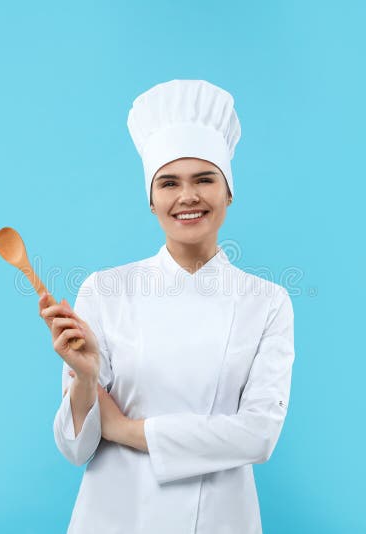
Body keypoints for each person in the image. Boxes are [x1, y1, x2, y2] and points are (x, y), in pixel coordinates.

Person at [39, 79, 296, 534]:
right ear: (152, 200)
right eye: (169, 183)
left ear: (228, 191)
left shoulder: (267, 302)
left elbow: (259, 435)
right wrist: (85, 378)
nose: (187, 196)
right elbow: (75, 449)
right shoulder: (105, 290)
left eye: (204, 179)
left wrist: (125, 430)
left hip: (218, 518)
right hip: (116, 516)